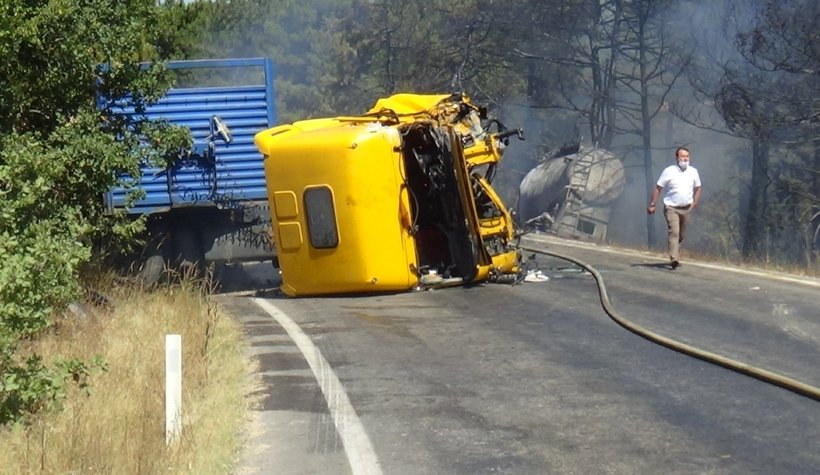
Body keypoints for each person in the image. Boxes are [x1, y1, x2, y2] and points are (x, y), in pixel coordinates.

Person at [647, 147, 702, 269]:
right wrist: (652, 204)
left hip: (686, 207)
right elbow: (658, 188)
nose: (685, 158)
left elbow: (698, 188)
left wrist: (695, 202)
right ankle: (673, 258)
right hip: (671, 207)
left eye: (687, 156)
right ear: (677, 158)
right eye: (682, 156)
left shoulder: (693, 172)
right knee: (674, 232)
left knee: (681, 234)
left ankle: (676, 254)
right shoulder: (669, 171)